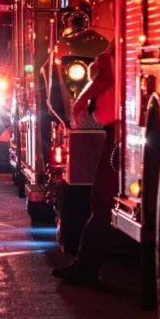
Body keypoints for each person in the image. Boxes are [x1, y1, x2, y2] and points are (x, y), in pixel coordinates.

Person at [51, 48, 118, 283]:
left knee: (102, 200)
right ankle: (87, 264)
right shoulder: (118, 37)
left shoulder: (119, 36)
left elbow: (110, 73)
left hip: (119, 130)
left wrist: (82, 99)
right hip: (116, 129)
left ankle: (87, 267)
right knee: (103, 200)